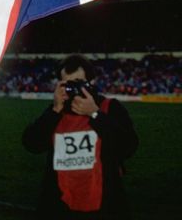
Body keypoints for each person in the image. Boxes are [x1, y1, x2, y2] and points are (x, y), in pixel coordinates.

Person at [22, 55, 139, 219]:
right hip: (60, 203)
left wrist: (95, 114)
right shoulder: (57, 111)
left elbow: (128, 147)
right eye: (68, 85)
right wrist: (54, 111)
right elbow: (31, 144)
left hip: (103, 202)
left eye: (79, 83)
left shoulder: (109, 108)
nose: (74, 90)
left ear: (91, 82)